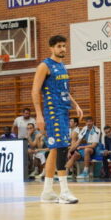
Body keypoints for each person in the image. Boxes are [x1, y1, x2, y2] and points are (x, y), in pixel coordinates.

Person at [32, 34, 83, 203]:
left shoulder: (62, 67)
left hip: (64, 110)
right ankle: (64, 192)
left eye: (64, 46)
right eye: (59, 46)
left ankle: (47, 192)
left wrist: (75, 104)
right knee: (61, 148)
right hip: (53, 112)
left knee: (54, 150)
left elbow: (65, 91)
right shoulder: (44, 66)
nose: (63, 49)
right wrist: (39, 115)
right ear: (51, 48)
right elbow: (34, 91)